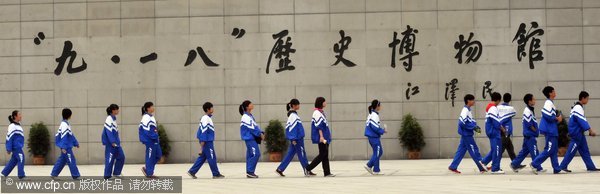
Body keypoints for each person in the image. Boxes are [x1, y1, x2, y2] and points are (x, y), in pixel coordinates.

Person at [558, 91, 600, 172]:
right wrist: (590, 130)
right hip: (576, 133)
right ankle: (562, 166)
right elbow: (582, 120)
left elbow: (582, 120)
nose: (587, 101)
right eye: (587, 99)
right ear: (583, 98)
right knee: (571, 150)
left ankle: (590, 166)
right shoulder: (578, 107)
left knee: (585, 150)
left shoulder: (577, 107)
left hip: (579, 132)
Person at [448, 94, 487, 174]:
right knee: (474, 150)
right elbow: (461, 123)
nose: (474, 101)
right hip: (467, 134)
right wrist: (473, 127)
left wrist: (475, 127)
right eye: (473, 100)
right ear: (468, 101)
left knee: (461, 151)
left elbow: (468, 122)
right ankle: (482, 166)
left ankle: (453, 166)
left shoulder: (468, 110)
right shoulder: (465, 110)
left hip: (466, 134)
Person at [275, 99, 314, 177]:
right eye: (298, 104)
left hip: (296, 138)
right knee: (302, 154)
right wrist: (293, 139)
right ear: (293, 105)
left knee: (290, 154)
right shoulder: (293, 116)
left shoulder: (293, 115)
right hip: (297, 139)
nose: (299, 106)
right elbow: (292, 128)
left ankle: (280, 169)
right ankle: (307, 169)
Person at [530, 86, 563, 174]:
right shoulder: (548, 103)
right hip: (550, 130)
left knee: (553, 150)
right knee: (549, 149)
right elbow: (547, 115)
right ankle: (534, 164)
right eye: (553, 91)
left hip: (552, 130)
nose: (555, 92)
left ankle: (556, 168)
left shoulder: (550, 103)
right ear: (550, 93)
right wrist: (557, 118)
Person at [188, 102, 225, 179]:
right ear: (208, 109)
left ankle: (192, 171)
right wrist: (202, 145)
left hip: (207, 141)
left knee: (203, 157)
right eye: (212, 108)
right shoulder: (206, 118)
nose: (213, 109)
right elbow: (204, 132)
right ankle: (215, 174)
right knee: (212, 157)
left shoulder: (208, 118)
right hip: (207, 141)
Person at [510, 94, 541, 172]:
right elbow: (529, 124)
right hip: (530, 134)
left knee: (524, 151)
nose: (535, 100)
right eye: (533, 99)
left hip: (529, 135)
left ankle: (514, 164)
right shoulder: (527, 110)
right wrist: (535, 131)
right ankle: (537, 167)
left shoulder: (530, 110)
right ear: (529, 101)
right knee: (534, 151)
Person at [306, 97, 335, 177]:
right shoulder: (317, 113)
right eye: (324, 101)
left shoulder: (321, 112)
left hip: (325, 137)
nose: (326, 102)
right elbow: (319, 126)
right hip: (322, 138)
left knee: (325, 155)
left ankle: (327, 172)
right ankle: (308, 168)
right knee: (322, 155)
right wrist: (321, 137)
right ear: (321, 103)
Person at [51, 108, 81, 180]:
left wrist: (75, 143)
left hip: (65, 146)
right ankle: (75, 175)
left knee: (62, 160)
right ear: (69, 115)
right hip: (66, 147)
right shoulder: (64, 125)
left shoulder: (65, 124)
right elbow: (64, 136)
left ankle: (54, 174)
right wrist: (63, 147)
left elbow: (70, 135)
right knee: (71, 160)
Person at [481, 92, 505, 174]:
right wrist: (501, 128)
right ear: (498, 100)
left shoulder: (489, 107)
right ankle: (495, 168)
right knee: (497, 150)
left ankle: (484, 162)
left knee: (495, 149)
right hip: (494, 131)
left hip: (491, 130)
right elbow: (495, 121)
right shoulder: (493, 108)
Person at [239, 100, 264, 178]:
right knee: (256, 154)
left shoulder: (249, 116)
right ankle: (250, 171)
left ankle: (249, 171)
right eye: (250, 104)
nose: (252, 105)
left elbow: (255, 126)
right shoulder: (245, 117)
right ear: (247, 107)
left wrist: (261, 132)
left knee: (250, 155)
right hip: (249, 138)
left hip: (251, 138)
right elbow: (252, 128)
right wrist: (259, 134)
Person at [363, 100, 387, 175]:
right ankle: (370, 166)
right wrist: (383, 131)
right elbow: (374, 127)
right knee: (378, 152)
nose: (381, 107)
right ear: (377, 106)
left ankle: (374, 169)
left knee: (378, 152)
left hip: (372, 137)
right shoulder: (374, 115)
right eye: (380, 105)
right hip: (373, 137)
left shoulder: (372, 114)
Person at [1, 110, 26, 179]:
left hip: (18, 146)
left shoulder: (18, 125)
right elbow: (9, 137)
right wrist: (8, 148)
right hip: (16, 147)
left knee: (13, 161)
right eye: (19, 114)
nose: (21, 116)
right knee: (21, 158)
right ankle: (21, 175)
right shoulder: (12, 126)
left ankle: (3, 174)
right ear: (15, 116)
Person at [102, 104, 125, 179]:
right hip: (111, 144)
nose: (118, 111)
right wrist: (112, 142)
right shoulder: (109, 119)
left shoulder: (114, 119)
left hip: (116, 143)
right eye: (117, 109)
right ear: (113, 110)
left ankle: (116, 173)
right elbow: (109, 132)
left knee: (121, 157)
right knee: (109, 159)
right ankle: (107, 175)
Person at [139, 102, 161, 178]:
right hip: (150, 140)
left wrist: (156, 136)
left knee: (158, 155)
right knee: (150, 156)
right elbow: (146, 130)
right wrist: (154, 136)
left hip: (154, 139)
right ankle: (149, 173)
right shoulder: (145, 117)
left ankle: (147, 169)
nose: (153, 108)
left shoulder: (151, 117)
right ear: (148, 108)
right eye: (152, 106)